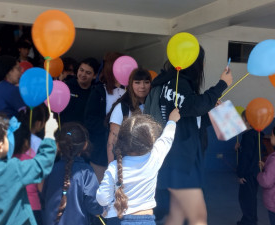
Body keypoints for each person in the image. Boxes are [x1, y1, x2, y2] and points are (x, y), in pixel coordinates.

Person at [150, 47, 232, 225]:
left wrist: (212, 108)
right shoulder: (177, 82)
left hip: (178, 159)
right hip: (179, 161)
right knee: (198, 218)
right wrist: (222, 84)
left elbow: (189, 115)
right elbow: (193, 106)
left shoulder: (171, 82)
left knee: (176, 217)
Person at [97, 110, 180, 225]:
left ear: (122, 141)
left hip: (116, 219)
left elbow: (102, 199)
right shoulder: (154, 157)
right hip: (146, 219)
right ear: (151, 141)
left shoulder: (114, 167)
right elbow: (167, 138)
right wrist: (172, 121)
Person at [41, 123, 104, 225]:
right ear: (85, 145)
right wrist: (101, 210)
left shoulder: (51, 169)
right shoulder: (86, 172)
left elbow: (44, 198)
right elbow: (93, 204)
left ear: (58, 145)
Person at [84, 52, 126, 182]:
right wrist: (109, 128)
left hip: (126, 152)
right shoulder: (99, 91)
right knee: (101, 188)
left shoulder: (130, 90)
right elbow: (89, 119)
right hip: (101, 152)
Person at [107, 68, 152, 163]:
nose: (142, 86)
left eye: (146, 82)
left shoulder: (154, 106)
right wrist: (112, 168)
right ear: (131, 85)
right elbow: (112, 142)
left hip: (149, 164)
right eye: (137, 82)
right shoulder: (122, 108)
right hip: (127, 163)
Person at [235, 111, 266, 225]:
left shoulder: (247, 136)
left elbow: (245, 158)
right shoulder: (258, 134)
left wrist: (240, 174)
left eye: (242, 120)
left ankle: (248, 221)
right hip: (255, 172)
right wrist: (239, 148)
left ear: (248, 122)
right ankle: (251, 219)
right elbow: (254, 153)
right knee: (251, 197)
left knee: (245, 198)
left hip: (247, 173)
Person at [12, 115, 43, 225]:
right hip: (32, 208)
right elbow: (41, 188)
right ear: (26, 142)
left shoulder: (2, 163)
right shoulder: (33, 162)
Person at [60, 58, 100, 124]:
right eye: (81, 70)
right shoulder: (66, 86)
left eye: (88, 73)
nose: (83, 74)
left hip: (84, 131)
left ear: (94, 76)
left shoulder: (96, 92)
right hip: (64, 129)